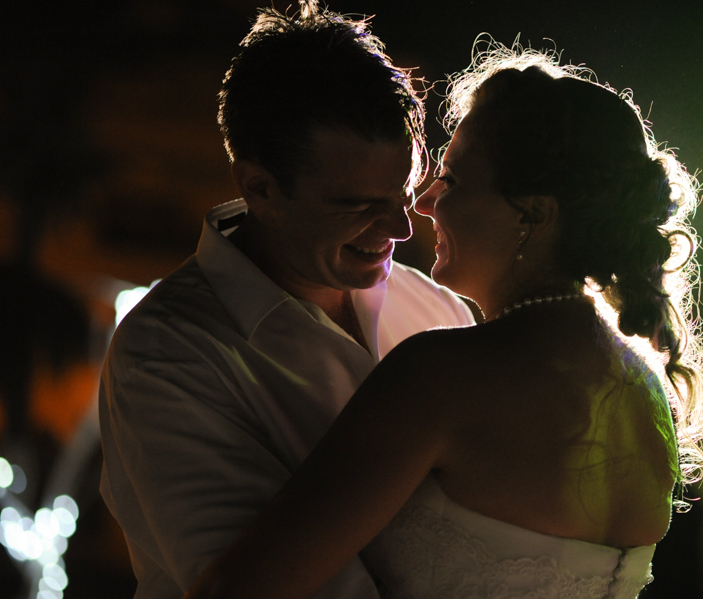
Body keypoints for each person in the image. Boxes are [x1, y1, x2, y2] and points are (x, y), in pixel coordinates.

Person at [184, 41, 703, 599]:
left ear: (531, 217)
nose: (424, 202)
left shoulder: (442, 374)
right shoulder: (646, 391)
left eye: (453, 180)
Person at [98, 5, 474, 599]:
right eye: (358, 205)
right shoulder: (166, 355)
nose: (401, 229)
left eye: (405, 192)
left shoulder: (438, 310)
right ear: (259, 187)